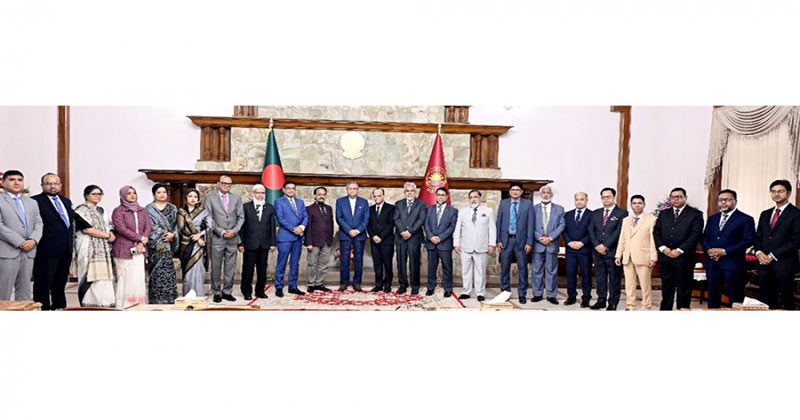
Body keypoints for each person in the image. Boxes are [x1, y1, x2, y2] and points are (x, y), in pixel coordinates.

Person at [701, 189, 755, 309]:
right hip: (713, 264)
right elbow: (705, 238)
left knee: (735, 298)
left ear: (735, 201)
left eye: (727, 199)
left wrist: (724, 251)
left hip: (733, 265)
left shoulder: (745, 219)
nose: (723, 202)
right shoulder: (712, 218)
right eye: (721, 200)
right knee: (713, 297)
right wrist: (709, 250)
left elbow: (748, 241)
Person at [653, 187, 704, 310]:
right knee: (666, 287)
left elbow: (695, 235)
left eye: (679, 197)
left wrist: (679, 250)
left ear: (685, 198)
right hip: (665, 256)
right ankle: (665, 311)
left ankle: (683, 311)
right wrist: (663, 248)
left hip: (684, 258)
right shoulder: (664, 213)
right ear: (670, 198)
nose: (676, 199)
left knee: (684, 288)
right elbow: (656, 232)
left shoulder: (695, 214)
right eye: (673, 197)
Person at [753, 179, 800, 310]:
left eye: (780, 191)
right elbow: (757, 237)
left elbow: (797, 241)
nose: (776, 194)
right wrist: (758, 252)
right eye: (773, 192)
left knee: (787, 301)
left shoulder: (796, 214)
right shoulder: (765, 214)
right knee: (766, 301)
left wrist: (772, 255)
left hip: (784, 265)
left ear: (789, 193)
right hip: (763, 265)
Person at [32, 173, 75, 310]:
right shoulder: (35, 201)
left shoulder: (66, 201)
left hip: (65, 249)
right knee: (43, 284)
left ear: (60, 185)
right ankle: (43, 310)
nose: (52, 186)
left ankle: (59, 307)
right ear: (42, 185)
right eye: (48, 183)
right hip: (46, 250)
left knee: (60, 283)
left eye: (55, 183)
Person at [0, 170, 43, 301]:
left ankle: (22, 313)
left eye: (20, 180)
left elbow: (39, 223)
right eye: (12, 180)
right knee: (3, 290)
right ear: (3, 182)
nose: (17, 182)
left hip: (29, 251)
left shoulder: (32, 202)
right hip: (7, 251)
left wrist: (33, 240)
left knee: (25, 290)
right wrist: (20, 242)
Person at [73, 185, 116, 307]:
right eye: (94, 194)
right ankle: (89, 303)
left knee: (104, 276)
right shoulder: (81, 211)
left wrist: (111, 233)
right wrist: (107, 235)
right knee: (89, 275)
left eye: (99, 194)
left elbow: (108, 225)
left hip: (103, 249)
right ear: (86, 196)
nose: (97, 196)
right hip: (87, 247)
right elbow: (87, 229)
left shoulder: (102, 211)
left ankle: (105, 303)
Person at [204, 175, 245, 303]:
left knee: (230, 267)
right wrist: (221, 232)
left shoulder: (236, 198)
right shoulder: (210, 198)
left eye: (229, 184)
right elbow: (208, 218)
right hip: (217, 238)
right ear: (218, 184)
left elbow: (241, 217)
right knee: (216, 267)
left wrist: (234, 231)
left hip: (233, 238)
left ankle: (227, 292)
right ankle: (216, 292)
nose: (226, 186)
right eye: (224, 183)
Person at [614, 195, 657, 310]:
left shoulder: (651, 219)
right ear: (631, 205)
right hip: (627, 256)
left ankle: (646, 305)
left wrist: (653, 258)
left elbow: (653, 240)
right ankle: (630, 305)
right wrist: (618, 255)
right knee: (629, 284)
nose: (637, 205)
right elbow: (622, 238)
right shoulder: (626, 220)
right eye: (634, 203)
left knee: (645, 284)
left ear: (644, 205)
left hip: (644, 256)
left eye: (639, 203)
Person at [588, 187, 628, 310]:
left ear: (614, 197)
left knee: (614, 278)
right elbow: (591, 230)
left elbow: (619, 231)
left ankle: (613, 302)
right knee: (600, 278)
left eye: (608, 197)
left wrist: (606, 246)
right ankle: (601, 300)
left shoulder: (622, 213)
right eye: (603, 197)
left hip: (612, 251)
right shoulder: (596, 213)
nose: (606, 199)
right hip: (597, 252)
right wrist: (597, 245)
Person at [111, 185, 151, 308]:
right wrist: (139, 238)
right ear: (123, 195)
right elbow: (121, 229)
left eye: (134, 193)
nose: (132, 195)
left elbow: (148, 227)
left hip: (139, 249)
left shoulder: (142, 210)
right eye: (128, 193)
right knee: (126, 278)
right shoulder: (118, 211)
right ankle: (124, 305)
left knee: (137, 278)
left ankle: (138, 305)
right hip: (123, 250)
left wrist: (142, 242)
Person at [454, 189, 496, 302]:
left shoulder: (488, 211)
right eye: (471, 197)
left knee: (480, 272)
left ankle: (480, 293)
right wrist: (456, 243)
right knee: (466, 271)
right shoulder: (462, 212)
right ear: (469, 199)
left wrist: (492, 244)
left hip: (481, 246)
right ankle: (466, 291)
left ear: (480, 198)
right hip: (465, 246)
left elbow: (492, 229)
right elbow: (458, 228)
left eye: (475, 197)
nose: (473, 199)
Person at [496, 182, 534, 304]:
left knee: (523, 269)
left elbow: (531, 224)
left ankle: (522, 294)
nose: (515, 191)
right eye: (513, 189)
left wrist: (529, 242)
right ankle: (505, 292)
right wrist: (498, 240)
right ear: (509, 191)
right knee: (504, 268)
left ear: (521, 192)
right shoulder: (503, 203)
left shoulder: (528, 204)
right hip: (506, 241)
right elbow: (499, 222)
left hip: (522, 241)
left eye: (518, 190)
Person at [238, 184, 276, 300]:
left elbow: (272, 226)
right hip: (249, 244)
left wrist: (273, 243)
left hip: (264, 244)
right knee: (248, 270)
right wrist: (240, 243)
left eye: (262, 193)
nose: (260, 195)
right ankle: (246, 292)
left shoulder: (269, 207)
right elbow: (241, 226)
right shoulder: (246, 207)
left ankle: (260, 291)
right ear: (254, 193)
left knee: (262, 270)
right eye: (258, 193)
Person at [145, 183, 179, 304]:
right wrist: (163, 235)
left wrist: (173, 235)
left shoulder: (173, 208)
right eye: (159, 192)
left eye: (164, 192)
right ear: (154, 194)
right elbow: (148, 226)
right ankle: (156, 299)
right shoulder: (148, 209)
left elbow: (177, 226)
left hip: (168, 245)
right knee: (156, 272)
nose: (162, 194)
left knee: (168, 271)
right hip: (155, 246)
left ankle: (170, 298)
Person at [531, 185, 565, 305]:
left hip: (552, 244)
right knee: (537, 270)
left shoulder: (559, 209)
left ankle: (551, 295)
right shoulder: (533, 209)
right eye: (543, 193)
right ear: (541, 195)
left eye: (548, 193)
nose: (546, 195)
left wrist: (550, 238)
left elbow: (562, 225)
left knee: (551, 271)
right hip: (537, 244)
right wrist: (539, 238)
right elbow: (530, 225)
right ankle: (537, 294)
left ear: (551, 195)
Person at [273, 180, 308, 297]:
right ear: (284, 190)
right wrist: (294, 229)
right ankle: (279, 287)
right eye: (288, 188)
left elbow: (305, 217)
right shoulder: (278, 202)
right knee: (281, 263)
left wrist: (301, 227)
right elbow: (280, 218)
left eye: (293, 188)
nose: (291, 190)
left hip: (298, 238)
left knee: (295, 263)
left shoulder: (300, 202)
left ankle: (293, 286)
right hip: (285, 237)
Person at [176, 188, 213, 297]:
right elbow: (182, 228)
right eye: (190, 196)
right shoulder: (181, 212)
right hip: (186, 244)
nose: (193, 199)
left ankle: (198, 295)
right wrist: (196, 237)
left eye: (195, 197)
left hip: (198, 245)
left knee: (198, 269)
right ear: (186, 198)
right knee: (187, 271)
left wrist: (200, 235)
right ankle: (188, 295)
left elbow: (210, 226)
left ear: (198, 199)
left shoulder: (203, 211)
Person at [393, 182, 427, 294]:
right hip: (400, 237)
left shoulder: (421, 204)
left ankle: (415, 286)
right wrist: (402, 231)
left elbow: (421, 220)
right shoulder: (398, 204)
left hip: (414, 237)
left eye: (412, 191)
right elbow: (396, 219)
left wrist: (410, 232)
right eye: (407, 191)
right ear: (404, 192)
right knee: (401, 262)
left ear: (415, 192)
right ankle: (402, 285)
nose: (409, 193)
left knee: (414, 262)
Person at [335, 181, 370, 292]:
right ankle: (344, 283)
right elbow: (339, 217)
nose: (352, 190)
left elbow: (366, 218)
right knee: (344, 259)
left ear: (357, 190)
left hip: (359, 235)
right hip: (345, 234)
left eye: (354, 188)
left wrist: (358, 230)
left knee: (358, 259)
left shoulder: (364, 202)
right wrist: (349, 230)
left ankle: (357, 283)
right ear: (346, 190)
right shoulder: (340, 201)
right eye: (350, 188)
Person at [424, 187, 458, 298]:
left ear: (446, 197)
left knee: (447, 267)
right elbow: (426, 224)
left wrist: (440, 238)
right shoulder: (429, 209)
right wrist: (431, 237)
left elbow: (452, 227)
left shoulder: (453, 211)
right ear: (436, 196)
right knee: (431, 267)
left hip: (445, 244)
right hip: (431, 243)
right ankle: (430, 287)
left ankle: (447, 288)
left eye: (443, 195)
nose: (440, 197)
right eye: (438, 194)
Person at [563, 192, 593, 307]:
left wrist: (582, 243)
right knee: (570, 274)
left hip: (585, 250)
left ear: (586, 201)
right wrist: (569, 242)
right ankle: (571, 297)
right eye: (577, 199)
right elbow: (564, 230)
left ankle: (586, 298)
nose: (579, 202)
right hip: (570, 249)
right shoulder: (568, 214)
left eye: (582, 199)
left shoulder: (592, 215)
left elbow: (592, 231)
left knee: (586, 275)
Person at [304, 186, 334, 293]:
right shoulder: (309, 209)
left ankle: (319, 283)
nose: (321, 196)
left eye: (323, 194)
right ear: (315, 196)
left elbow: (330, 223)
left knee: (324, 264)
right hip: (314, 241)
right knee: (312, 264)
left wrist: (331, 237)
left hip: (327, 240)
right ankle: (311, 284)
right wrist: (308, 242)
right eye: (319, 194)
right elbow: (307, 226)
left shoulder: (329, 208)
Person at [367, 188, 395, 293]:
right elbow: (368, 225)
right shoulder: (370, 209)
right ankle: (378, 284)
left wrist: (381, 237)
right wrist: (373, 236)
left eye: (379, 196)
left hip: (387, 241)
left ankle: (387, 284)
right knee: (377, 264)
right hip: (374, 241)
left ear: (383, 196)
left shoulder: (391, 208)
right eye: (374, 196)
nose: (376, 198)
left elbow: (390, 224)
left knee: (387, 264)